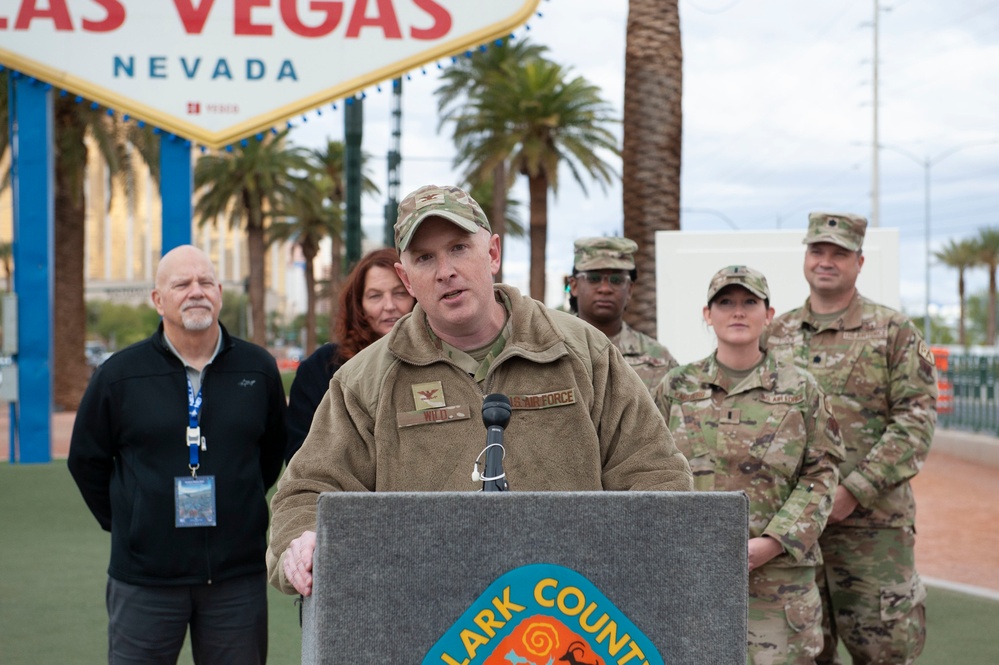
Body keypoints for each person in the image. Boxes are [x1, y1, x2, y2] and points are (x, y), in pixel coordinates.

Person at [267, 184, 693, 597]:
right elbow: (307, 490)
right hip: (427, 622)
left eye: (458, 248)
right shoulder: (365, 380)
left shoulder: (581, 352)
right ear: (407, 277)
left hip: (568, 618)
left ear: (492, 253)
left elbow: (655, 472)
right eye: (424, 257)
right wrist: (302, 541)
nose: (445, 271)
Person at [68, 245, 287, 664]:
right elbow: (86, 460)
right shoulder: (119, 375)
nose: (196, 292)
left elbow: (270, 453)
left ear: (220, 293)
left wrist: (238, 502)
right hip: (145, 580)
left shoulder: (257, 369)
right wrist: (133, 521)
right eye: (181, 284)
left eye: (205, 282)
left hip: (235, 578)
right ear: (157, 299)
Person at [766, 212, 937, 664]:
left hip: (873, 532)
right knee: (802, 654)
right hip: (798, 533)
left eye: (838, 253)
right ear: (805, 257)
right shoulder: (775, 335)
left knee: (882, 652)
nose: (826, 261)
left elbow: (915, 422)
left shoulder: (894, 331)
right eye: (817, 251)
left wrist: (853, 491)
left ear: (859, 261)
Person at [654, 265, 844, 664]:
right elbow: (650, 467)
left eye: (749, 302)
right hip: (692, 575)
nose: (737, 312)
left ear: (768, 315)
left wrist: (773, 543)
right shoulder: (676, 387)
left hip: (779, 585)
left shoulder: (801, 389)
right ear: (708, 315)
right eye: (725, 303)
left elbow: (821, 475)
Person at [285, 248, 416, 462]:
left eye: (400, 293)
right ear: (359, 306)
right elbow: (300, 458)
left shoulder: (438, 358)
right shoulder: (322, 368)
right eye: (375, 296)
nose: (389, 306)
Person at [569, 236, 678, 392]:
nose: (605, 288)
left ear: (630, 289)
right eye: (593, 278)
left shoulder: (658, 359)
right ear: (574, 286)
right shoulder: (552, 348)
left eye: (616, 280)